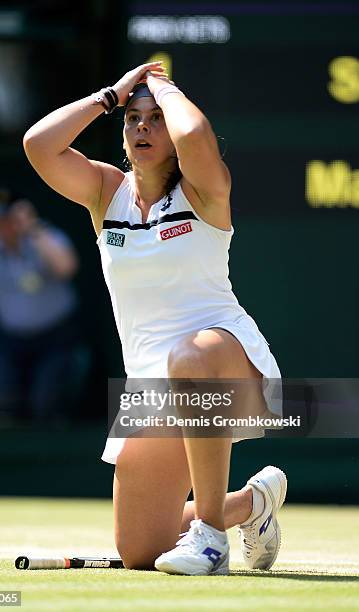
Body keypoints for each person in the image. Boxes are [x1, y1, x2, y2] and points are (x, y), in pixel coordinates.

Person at [23, 61, 287, 575]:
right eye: (133, 120)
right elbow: (38, 144)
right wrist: (111, 96)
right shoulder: (105, 191)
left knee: (189, 354)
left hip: (229, 366)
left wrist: (164, 89)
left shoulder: (205, 189)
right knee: (143, 553)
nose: (142, 126)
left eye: (155, 119)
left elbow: (194, 132)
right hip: (153, 389)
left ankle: (210, 541)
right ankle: (252, 504)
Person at [0, 191, 80, 422]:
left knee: (46, 405)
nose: (4, 227)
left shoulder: (41, 237)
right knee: (2, 407)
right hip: (10, 340)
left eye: (10, 219)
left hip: (54, 337)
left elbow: (66, 267)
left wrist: (32, 226)